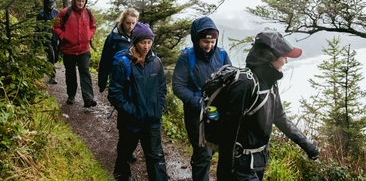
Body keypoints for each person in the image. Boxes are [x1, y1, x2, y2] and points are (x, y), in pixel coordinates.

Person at [216, 31, 319, 181]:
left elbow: (280, 117)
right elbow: (228, 131)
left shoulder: (270, 83)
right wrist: (225, 173)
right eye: (284, 57)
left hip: (260, 160)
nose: (286, 62)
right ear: (271, 58)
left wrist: (307, 144)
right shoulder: (245, 84)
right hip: (241, 164)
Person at [172, 16, 232, 181]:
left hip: (216, 112)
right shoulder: (186, 57)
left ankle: (198, 164)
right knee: (204, 153)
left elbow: (231, 81)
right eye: (205, 41)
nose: (209, 46)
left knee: (216, 150)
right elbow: (178, 86)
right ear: (196, 39)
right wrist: (198, 103)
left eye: (213, 42)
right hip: (195, 114)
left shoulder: (221, 55)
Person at [108, 22, 168, 181]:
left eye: (149, 42)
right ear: (135, 42)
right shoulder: (123, 63)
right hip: (130, 121)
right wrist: (132, 111)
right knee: (125, 155)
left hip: (152, 120)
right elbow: (114, 93)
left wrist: (159, 107)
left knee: (156, 158)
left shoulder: (156, 62)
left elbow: (162, 88)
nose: (146, 46)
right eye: (143, 42)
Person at [52, 0, 97, 108]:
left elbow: (93, 26)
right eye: (79, 0)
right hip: (68, 49)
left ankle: (88, 98)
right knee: (70, 73)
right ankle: (71, 95)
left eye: (83, 1)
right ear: (74, 0)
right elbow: (54, 26)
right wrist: (63, 36)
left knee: (85, 72)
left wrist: (88, 36)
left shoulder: (88, 13)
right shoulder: (65, 12)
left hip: (84, 49)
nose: (81, 3)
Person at [98, 8, 139, 93]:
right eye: (128, 23)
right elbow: (105, 60)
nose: (130, 26)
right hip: (117, 76)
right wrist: (102, 82)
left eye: (133, 23)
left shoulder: (139, 37)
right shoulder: (113, 37)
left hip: (135, 77)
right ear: (122, 21)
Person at [36, 0, 60, 84]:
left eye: (52, 4)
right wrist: (38, 38)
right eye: (49, 4)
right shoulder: (41, 14)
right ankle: (52, 76)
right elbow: (38, 26)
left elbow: (60, 23)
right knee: (51, 55)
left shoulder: (56, 12)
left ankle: (48, 66)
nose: (51, 6)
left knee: (56, 56)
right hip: (46, 37)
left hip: (55, 37)